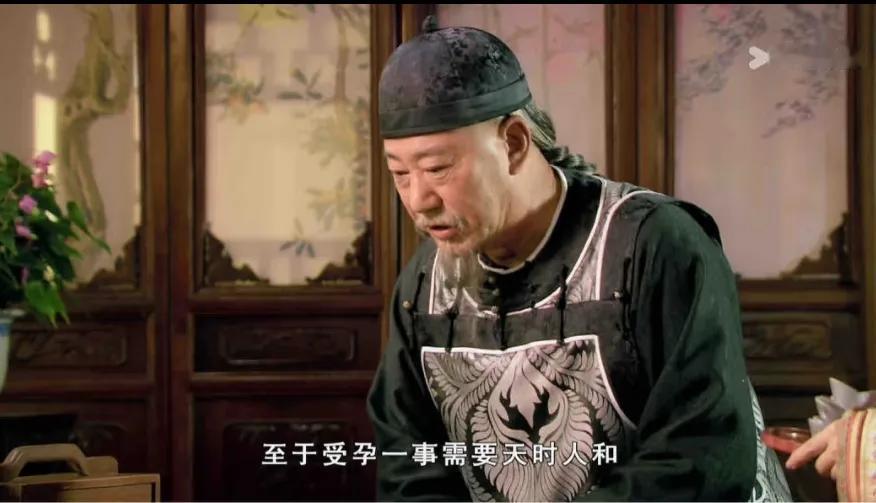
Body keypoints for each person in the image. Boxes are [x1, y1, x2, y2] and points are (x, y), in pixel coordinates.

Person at [366, 15, 792, 502]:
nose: (418, 200)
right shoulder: (423, 284)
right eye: (400, 174)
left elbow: (699, 456)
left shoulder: (653, 246)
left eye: (438, 168)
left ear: (514, 143)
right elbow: (408, 465)